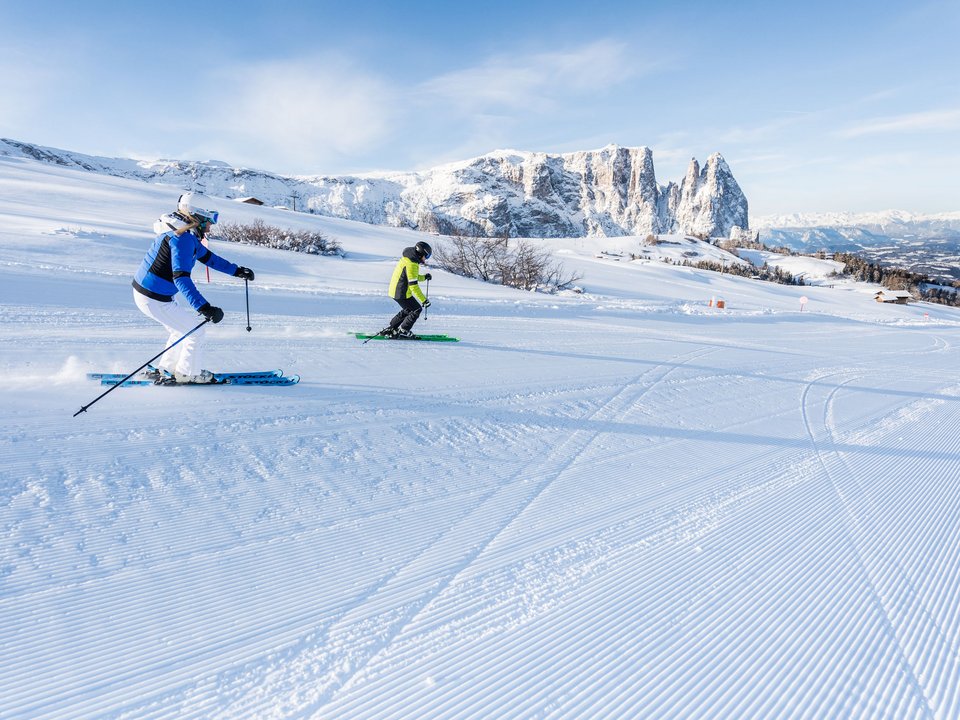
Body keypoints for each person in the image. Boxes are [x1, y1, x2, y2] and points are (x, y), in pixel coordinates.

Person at [132, 192, 255, 383]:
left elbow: (208, 257)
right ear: (197, 216)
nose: (212, 224)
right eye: (211, 218)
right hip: (153, 298)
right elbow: (181, 277)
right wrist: (204, 308)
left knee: (181, 330)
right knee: (195, 333)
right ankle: (187, 373)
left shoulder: (183, 234)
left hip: (152, 295)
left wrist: (237, 271)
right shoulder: (182, 238)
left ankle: (166, 369)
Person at [383, 241, 433, 338]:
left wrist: (424, 277)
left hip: (396, 290)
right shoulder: (412, 263)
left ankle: (392, 327)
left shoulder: (408, 259)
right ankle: (404, 330)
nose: (425, 259)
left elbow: (412, 276)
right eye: (426, 257)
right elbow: (413, 285)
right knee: (416, 309)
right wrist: (424, 300)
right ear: (421, 254)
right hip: (401, 291)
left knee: (408, 309)